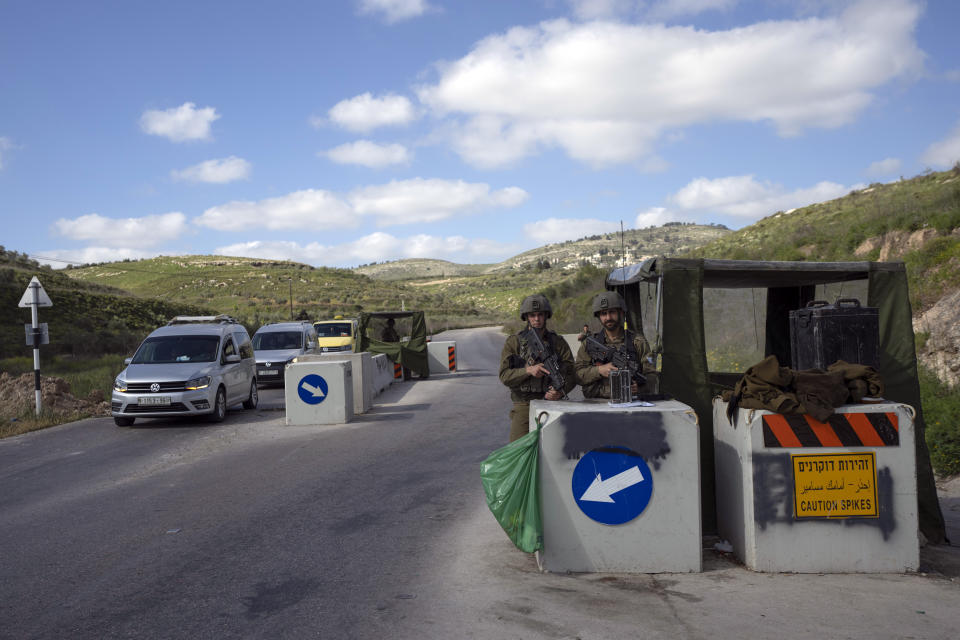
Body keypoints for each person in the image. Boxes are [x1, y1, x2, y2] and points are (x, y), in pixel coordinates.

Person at [499, 294, 576, 442]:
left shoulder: (557, 342)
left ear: (546, 316)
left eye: (540, 314)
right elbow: (504, 375)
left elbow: (573, 373)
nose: (536, 319)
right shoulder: (515, 342)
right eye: (532, 315)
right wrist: (528, 370)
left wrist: (559, 391)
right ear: (526, 317)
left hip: (552, 402)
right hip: (524, 404)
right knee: (518, 452)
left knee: (557, 447)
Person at [576, 291, 656, 399]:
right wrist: (599, 370)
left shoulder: (638, 342)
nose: (608, 317)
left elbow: (652, 375)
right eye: (604, 313)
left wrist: (640, 388)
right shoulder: (589, 344)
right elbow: (577, 375)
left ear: (621, 313)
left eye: (612, 312)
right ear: (599, 316)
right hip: (596, 403)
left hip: (630, 403)